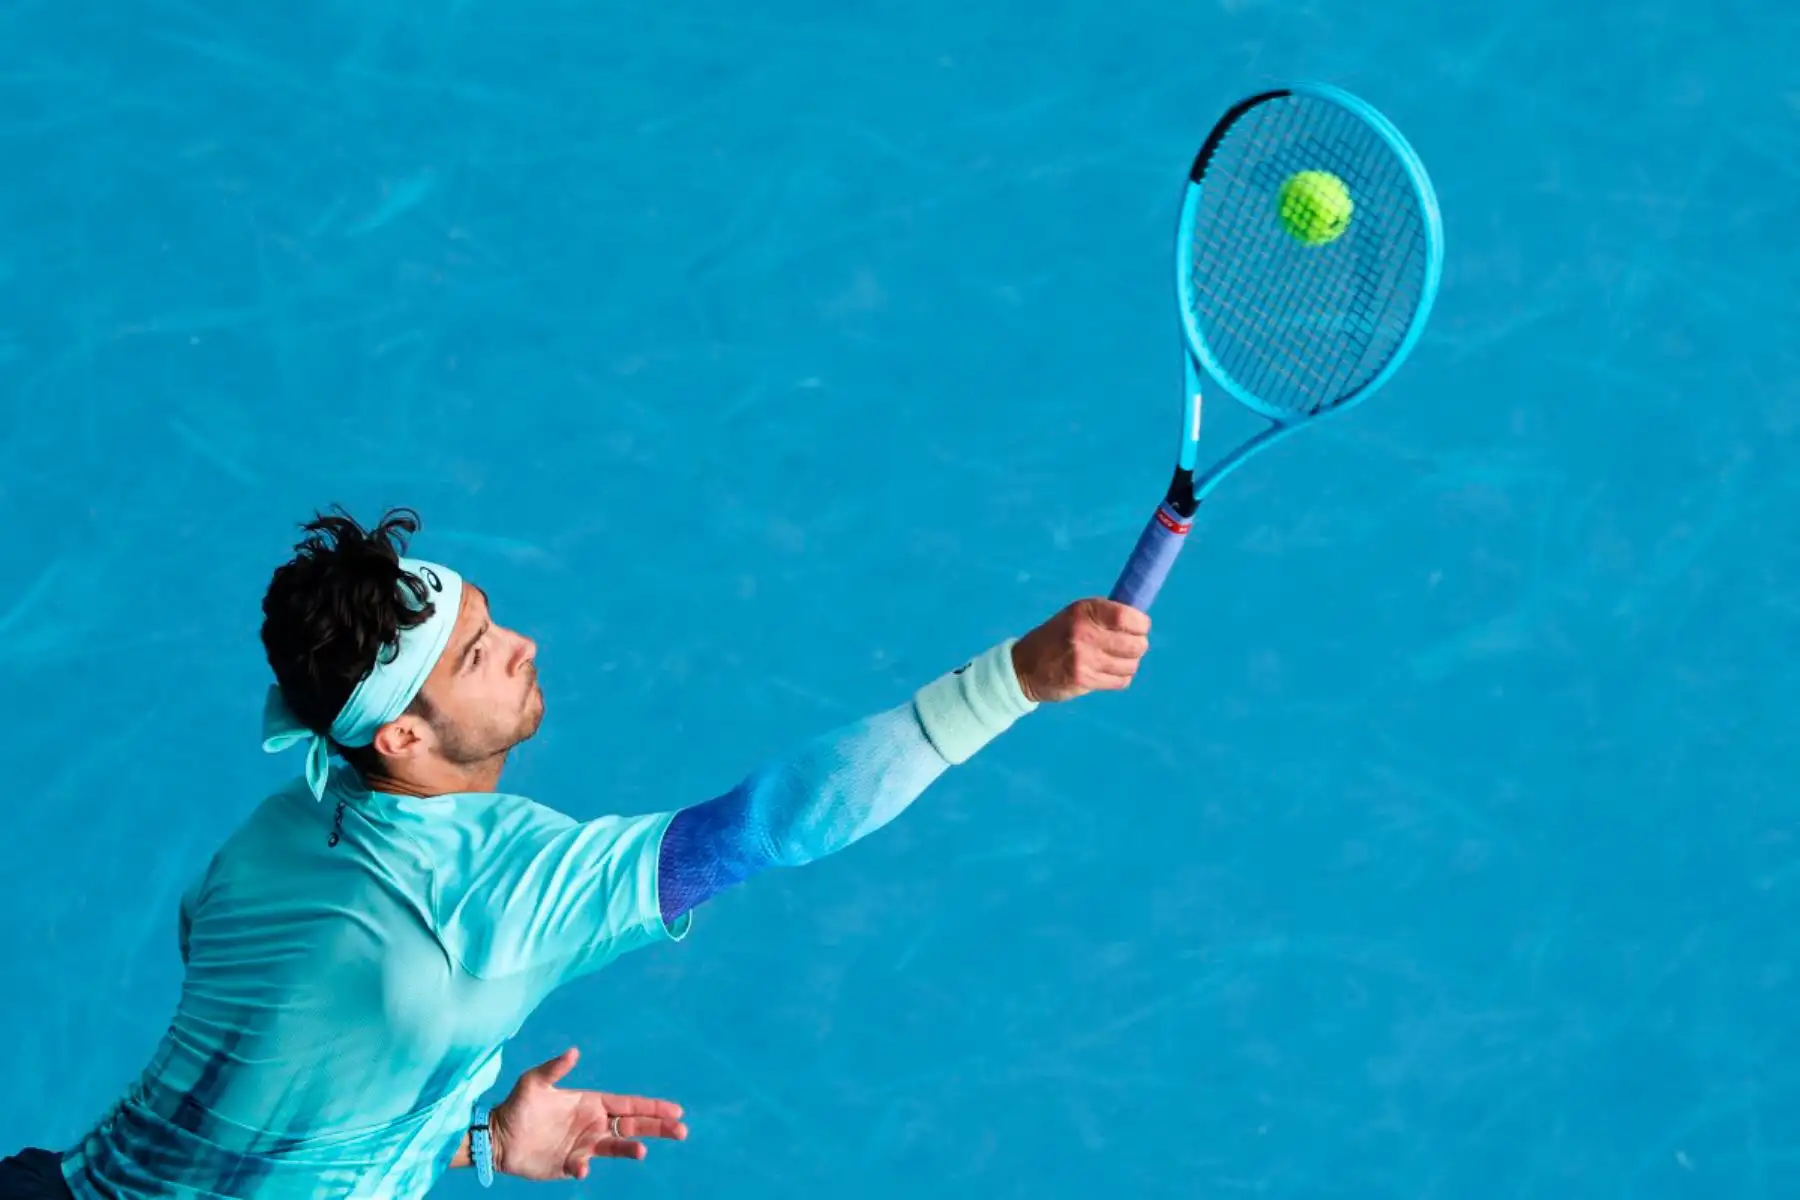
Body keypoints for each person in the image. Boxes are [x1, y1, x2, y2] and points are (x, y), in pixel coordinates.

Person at [15, 507, 1151, 1199]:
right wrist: (1011, 681)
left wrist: (471, 1139)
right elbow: (773, 824)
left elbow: (275, 1114)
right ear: (403, 735)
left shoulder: (267, 840)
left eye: (491, 619)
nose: (522, 646)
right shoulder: (502, 889)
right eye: (476, 655)